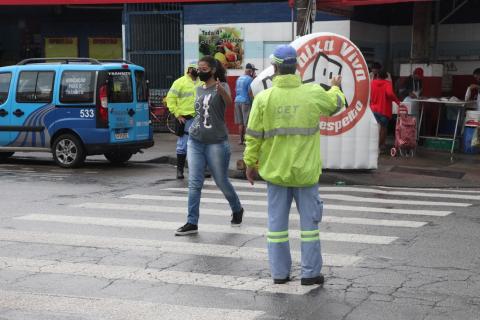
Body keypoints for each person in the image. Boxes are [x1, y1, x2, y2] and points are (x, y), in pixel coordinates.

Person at [243, 45, 345, 285]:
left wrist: (249, 164)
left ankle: (279, 274)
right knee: (309, 226)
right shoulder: (311, 93)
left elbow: (253, 136)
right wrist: (336, 86)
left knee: (276, 227)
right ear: (297, 66)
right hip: (305, 173)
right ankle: (310, 274)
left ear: (275, 68)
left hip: (276, 174)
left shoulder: (263, 99)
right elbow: (336, 104)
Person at [175, 56, 244, 236]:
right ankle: (192, 222)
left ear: (212, 70)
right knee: (194, 183)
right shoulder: (199, 88)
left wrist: (221, 91)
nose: (200, 71)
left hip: (216, 142)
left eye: (204, 68)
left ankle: (237, 208)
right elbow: (198, 113)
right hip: (195, 140)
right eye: (198, 68)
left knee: (221, 180)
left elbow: (229, 103)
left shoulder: (223, 87)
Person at [166, 61, 202, 179]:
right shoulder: (179, 82)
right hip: (184, 119)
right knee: (182, 145)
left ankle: (199, 169)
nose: (198, 71)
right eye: (196, 69)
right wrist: (177, 115)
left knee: (199, 144)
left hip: (199, 118)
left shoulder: (201, 82)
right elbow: (170, 99)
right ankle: (180, 170)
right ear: (190, 70)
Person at [370, 70, 401, 153]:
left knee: (375, 129)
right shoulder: (387, 83)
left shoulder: (372, 83)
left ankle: (374, 146)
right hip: (384, 110)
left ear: (377, 75)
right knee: (383, 129)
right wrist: (397, 102)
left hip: (373, 109)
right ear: (386, 77)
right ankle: (379, 146)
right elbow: (390, 94)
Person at [234, 63, 257, 145]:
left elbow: (236, 90)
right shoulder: (250, 79)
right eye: (253, 71)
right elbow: (250, 92)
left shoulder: (239, 78)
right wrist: (254, 101)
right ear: (251, 71)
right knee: (247, 123)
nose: (254, 73)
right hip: (245, 102)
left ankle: (241, 140)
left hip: (237, 101)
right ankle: (247, 140)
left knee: (240, 123)